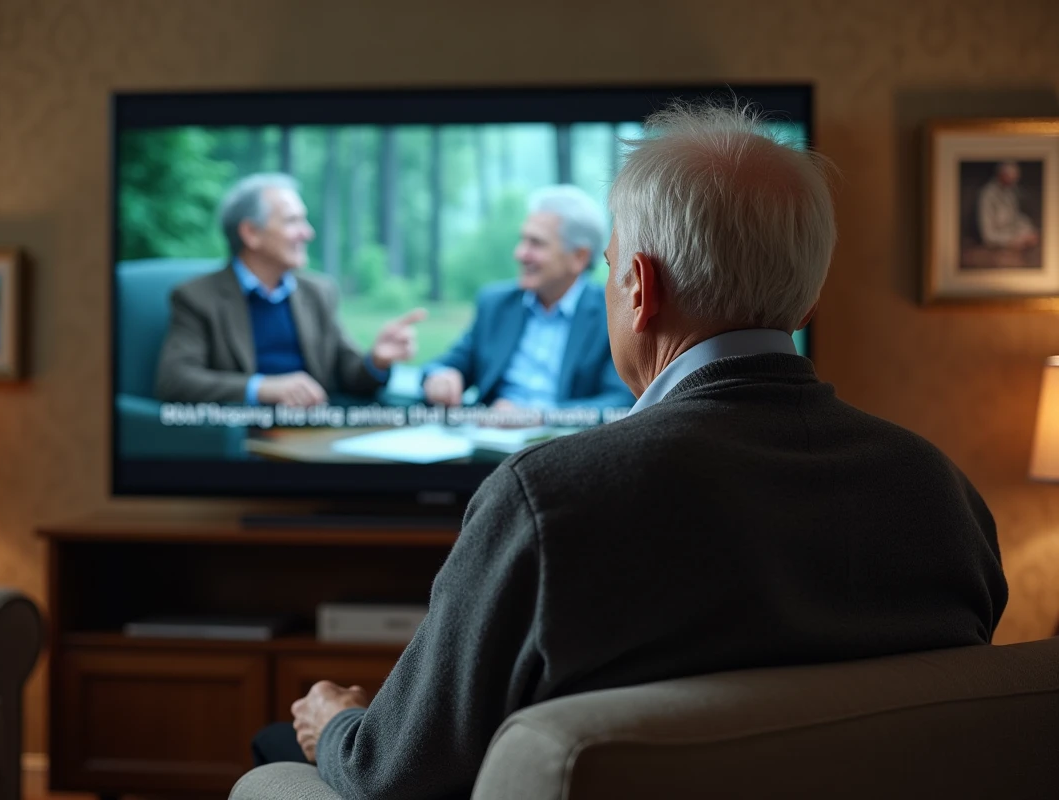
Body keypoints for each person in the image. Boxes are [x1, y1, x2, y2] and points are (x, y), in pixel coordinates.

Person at [250, 103, 1008, 800]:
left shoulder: (548, 501)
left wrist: (337, 722)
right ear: (810, 299)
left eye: (613, 267)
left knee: (280, 747)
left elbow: (396, 773)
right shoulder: (943, 492)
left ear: (639, 288)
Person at [154, 173, 424, 406]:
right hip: (244, 442)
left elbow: (349, 374)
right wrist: (263, 388)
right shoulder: (196, 297)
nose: (307, 233)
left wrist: (376, 360)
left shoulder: (318, 292)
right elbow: (175, 380)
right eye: (293, 221)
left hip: (314, 435)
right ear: (250, 233)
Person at [421, 185, 633, 412]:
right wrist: (441, 377)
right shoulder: (496, 304)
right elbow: (447, 364)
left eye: (536, 243)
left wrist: (540, 417)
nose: (520, 253)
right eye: (523, 240)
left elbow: (621, 402)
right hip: (488, 436)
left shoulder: (612, 314)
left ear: (579, 257)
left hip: (565, 443)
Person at [977, 160, 1040, 251]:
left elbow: (1016, 218)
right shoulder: (987, 196)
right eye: (1010, 178)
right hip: (997, 243)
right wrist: (1014, 240)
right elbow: (988, 236)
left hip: (1014, 238)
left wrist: (1029, 232)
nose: (1013, 183)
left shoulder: (1009, 193)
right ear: (1001, 175)